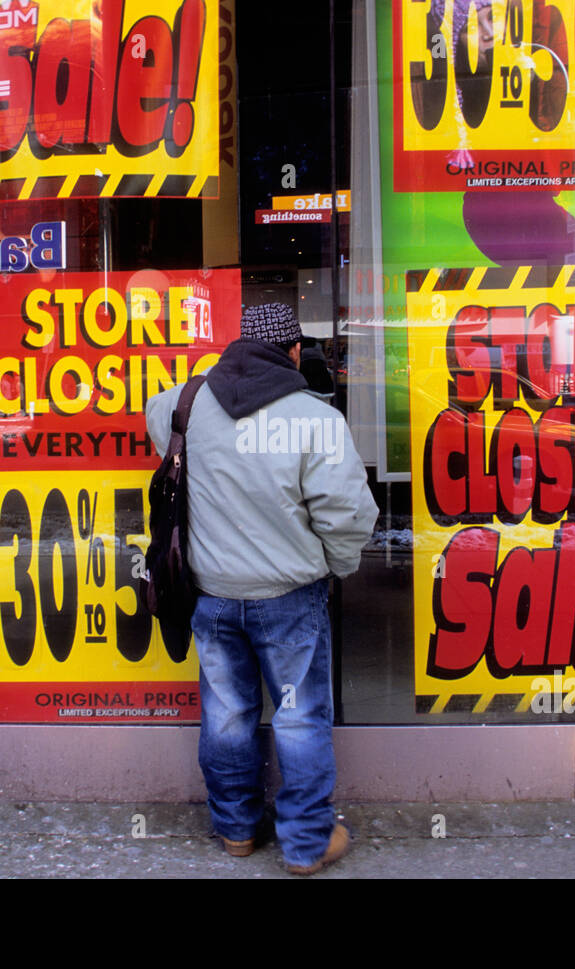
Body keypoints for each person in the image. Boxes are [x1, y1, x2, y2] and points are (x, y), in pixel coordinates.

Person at [145, 301, 379, 875]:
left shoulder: (182, 405)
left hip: (213, 598)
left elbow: (157, 423)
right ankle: (304, 844)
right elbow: (348, 515)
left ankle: (236, 830)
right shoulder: (315, 420)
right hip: (291, 603)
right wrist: (337, 565)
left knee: (227, 714)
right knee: (298, 715)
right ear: (294, 351)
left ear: (236, 348)